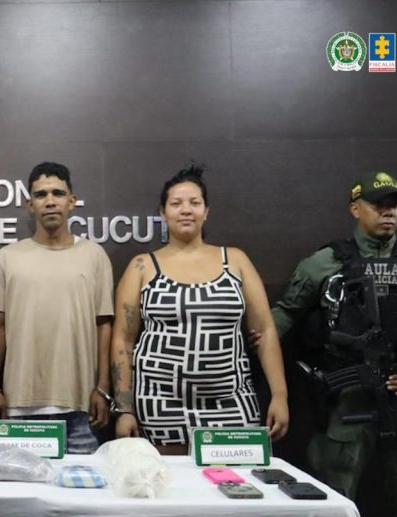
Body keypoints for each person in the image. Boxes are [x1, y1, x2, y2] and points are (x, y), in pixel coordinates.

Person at [272, 171, 397, 517]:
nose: (388, 212)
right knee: (334, 500)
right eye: (377, 204)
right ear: (355, 209)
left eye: (394, 205)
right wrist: (246, 359)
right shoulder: (325, 264)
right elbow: (281, 319)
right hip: (348, 395)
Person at [111, 164, 289, 454]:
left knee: (235, 491)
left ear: (206, 211)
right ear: (162, 212)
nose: (186, 210)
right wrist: (124, 408)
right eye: (176, 203)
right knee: (170, 491)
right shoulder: (141, 266)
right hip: (160, 403)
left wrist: (280, 395)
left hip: (231, 402)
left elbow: (265, 331)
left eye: (194, 203)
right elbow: (123, 341)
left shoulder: (235, 260)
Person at [0, 162, 113, 454]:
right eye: (41, 195)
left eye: (58, 193)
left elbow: (104, 326)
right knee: (20, 497)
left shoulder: (94, 256)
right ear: (30, 204)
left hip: (80, 408)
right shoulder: (7, 258)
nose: (50, 201)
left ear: (72, 201)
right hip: (19, 407)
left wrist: (102, 389)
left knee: (80, 497)